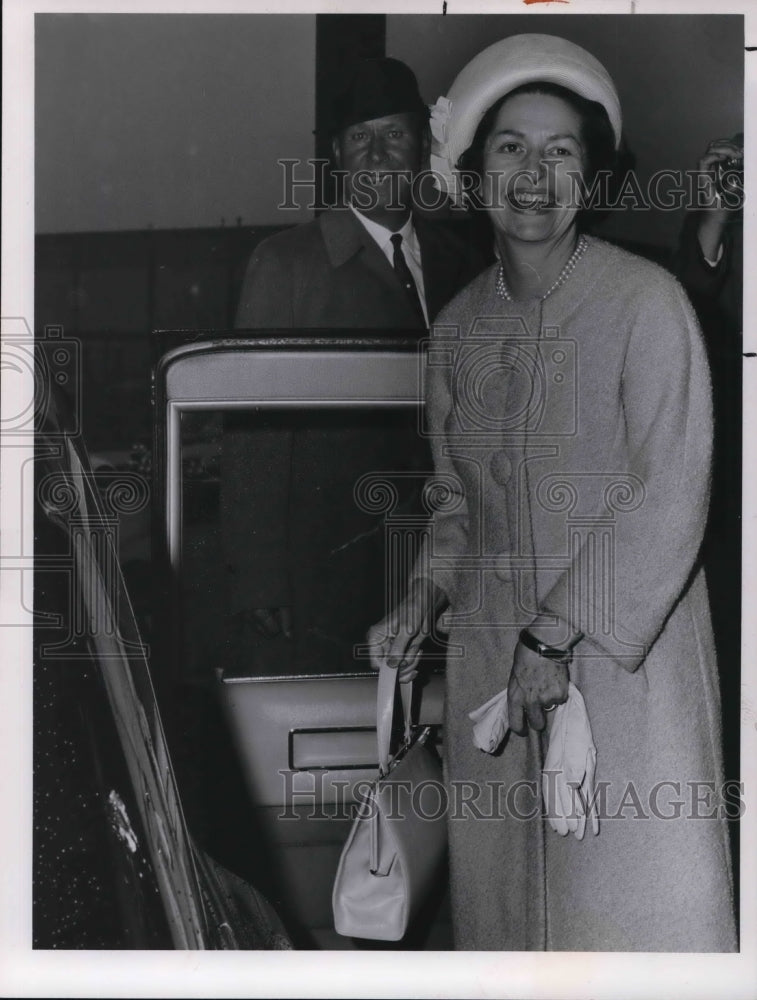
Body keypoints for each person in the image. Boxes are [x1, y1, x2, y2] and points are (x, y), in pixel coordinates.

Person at [368, 34, 737, 951]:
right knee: (511, 930)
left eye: (560, 150)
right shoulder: (454, 332)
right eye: (508, 148)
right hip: (496, 675)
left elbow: (668, 492)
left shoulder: (646, 304)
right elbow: (456, 502)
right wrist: (425, 590)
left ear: (593, 174)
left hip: (623, 670)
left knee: (626, 919)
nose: (533, 174)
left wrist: (554, 631)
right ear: (471, 170)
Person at [221, 58, 484, 674]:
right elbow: (252, 433)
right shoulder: (285, 263)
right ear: (337, 156)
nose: (377, 153)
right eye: (359, 137)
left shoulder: (462, 260)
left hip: (447, 564)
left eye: (394, 134)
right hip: (329, 570)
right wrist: (259, 577)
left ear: (421, 147)